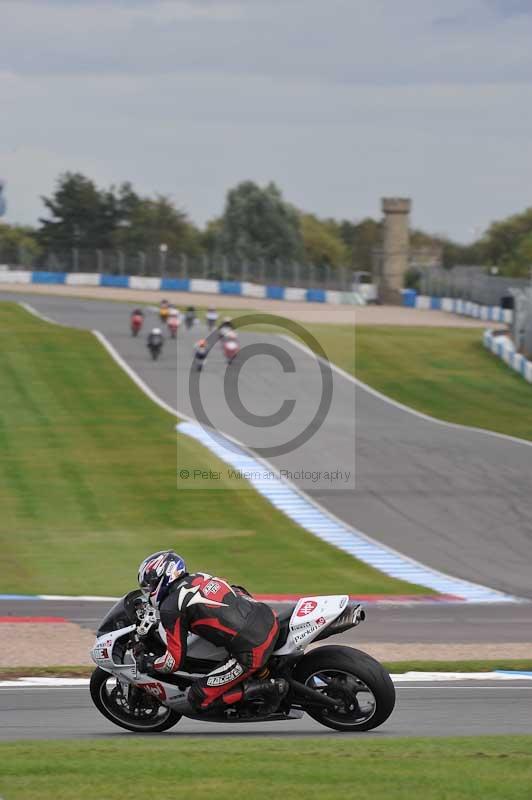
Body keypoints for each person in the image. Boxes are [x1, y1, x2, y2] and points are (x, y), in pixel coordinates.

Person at [137, 550, 284, 714]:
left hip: (253, 647)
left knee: (198, 698)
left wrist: (150, 663)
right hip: (268, 615)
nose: (149, 590)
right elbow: (237, 590)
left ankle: (270, 688)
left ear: (163, 577)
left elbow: (173, 662)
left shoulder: (170, 607)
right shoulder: (200, 577)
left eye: (150, 585)